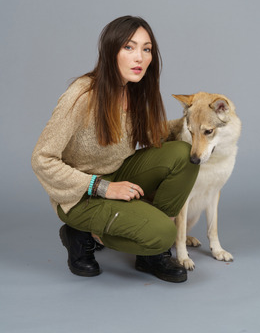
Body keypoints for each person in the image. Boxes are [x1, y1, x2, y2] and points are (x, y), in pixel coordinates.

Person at [31, 15, 199, 283]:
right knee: (164, 234)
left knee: (182, 155)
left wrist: (197, 118)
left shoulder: (134, 90)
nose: (140, 58)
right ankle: (81, 233)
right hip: (78, 196)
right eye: (129, 47)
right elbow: (42, 159)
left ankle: (150, 254)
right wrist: (103, 188)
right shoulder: (82, 95)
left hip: (117, 173)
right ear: (111, 51)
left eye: (146, 49)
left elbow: (154, 135)